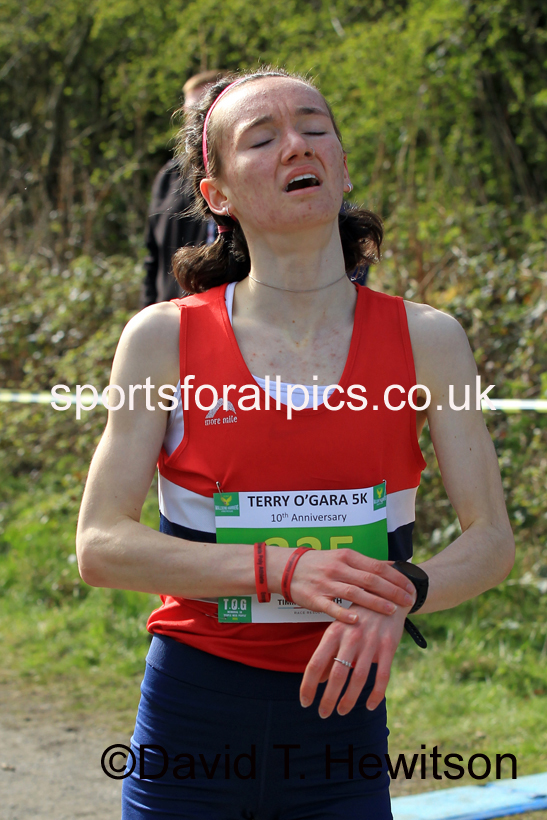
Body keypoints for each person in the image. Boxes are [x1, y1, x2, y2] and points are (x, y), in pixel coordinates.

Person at [77, 68, 515, 819]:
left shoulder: (428, 338)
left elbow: (491, 543)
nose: (295, 146)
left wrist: (403, 591)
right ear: (215, 195)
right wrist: (282, 570)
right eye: (262, 136)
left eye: (314, 128)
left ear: (340, 168)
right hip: (194, 711)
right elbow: (101, 545)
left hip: (344, 722)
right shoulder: (162, 337)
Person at [141, 70, 227, 307]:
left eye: (206, 108)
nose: (197, 119)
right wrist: (148, 314)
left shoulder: (251, 173)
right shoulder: (170, 177)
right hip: (175, 316)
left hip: (233, 317)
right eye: (191, 111)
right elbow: (153, 258)